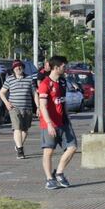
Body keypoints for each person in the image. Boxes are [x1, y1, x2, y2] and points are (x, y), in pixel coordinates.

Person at [38, 55, 77, 190]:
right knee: (48, 151)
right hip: (49, 123)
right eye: (63, 66)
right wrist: (49, 123)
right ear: (56, 67)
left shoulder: (62, 82)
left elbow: (62, 101)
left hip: (63, 122)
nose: (65, 68)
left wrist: (67, 117)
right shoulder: (44, 84)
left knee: (72, 147)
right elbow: (42, 106)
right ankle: (49, 179)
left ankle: (59, 172)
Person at [0, 60, 36, 159]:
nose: (18, 68)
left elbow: (35, 93)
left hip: (27, 108)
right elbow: (1, 92)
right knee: (17, 128)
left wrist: (39, 107)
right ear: (13, 69)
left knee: (25, 130)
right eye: (16, 67)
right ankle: (20, 151)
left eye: (20, 66)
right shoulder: (9, 79)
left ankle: (18, 145)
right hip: (14, 108)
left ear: (23, 68)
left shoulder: (29, 78)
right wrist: (6, 103)